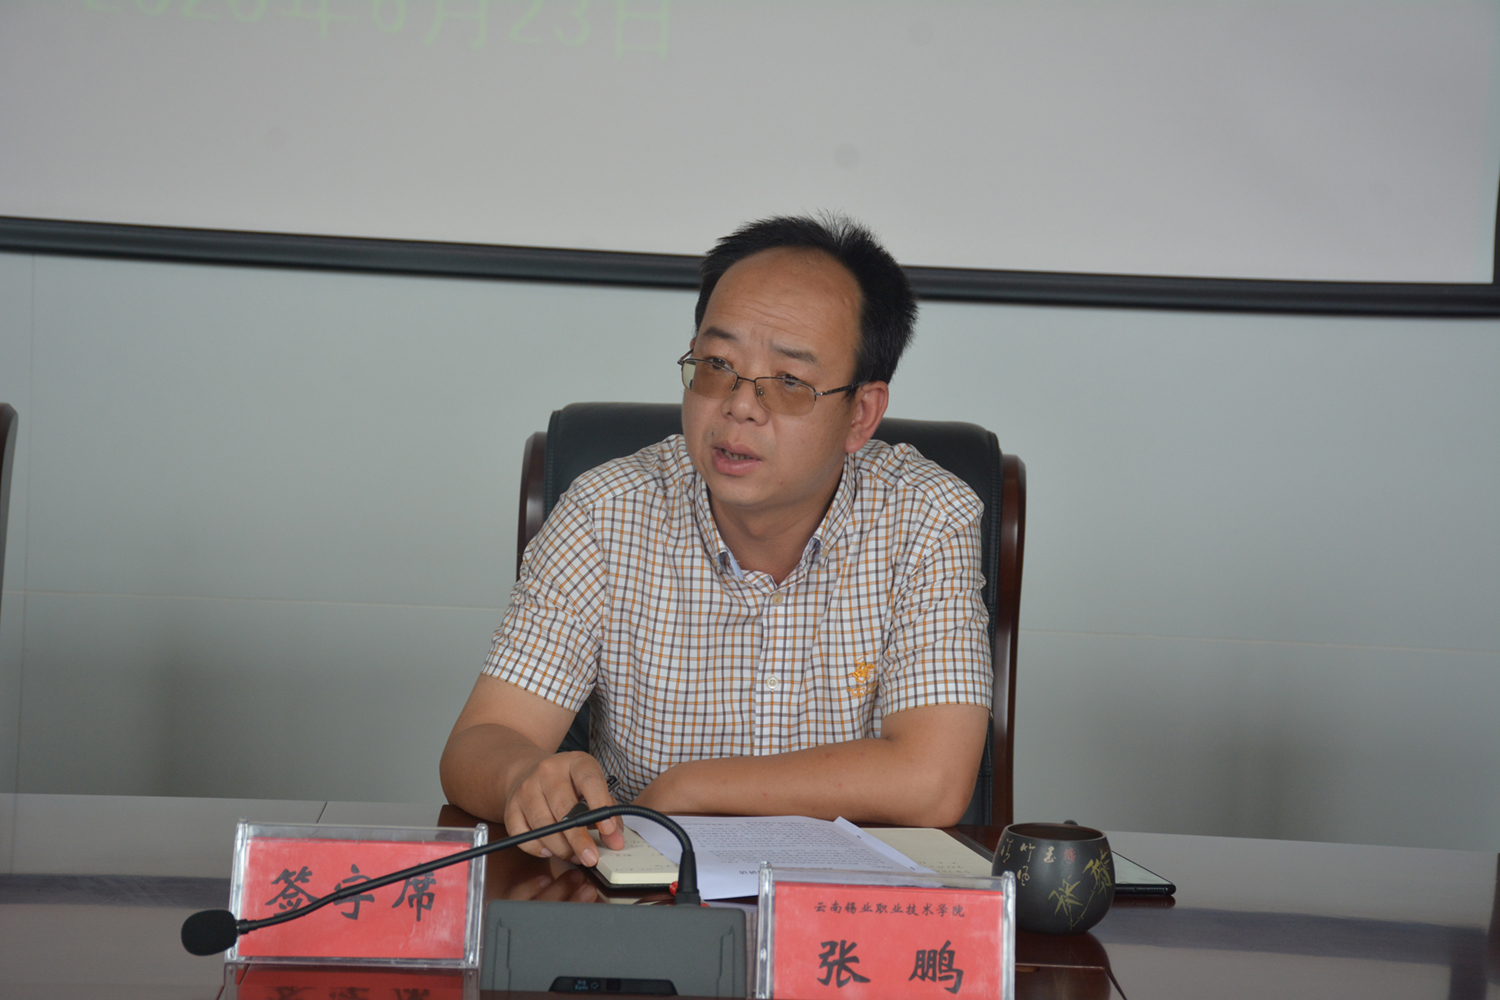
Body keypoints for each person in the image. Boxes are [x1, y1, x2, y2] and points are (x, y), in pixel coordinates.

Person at [440, 215, 991, 869]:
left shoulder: (926, 518)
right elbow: (480, 741)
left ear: (861, 414)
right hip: (645, 903)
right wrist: (522, 778)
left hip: (844, 909)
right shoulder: (607, 512)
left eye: (789, 382)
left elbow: (933, 779)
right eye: (717, 365)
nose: (739, 405)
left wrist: (691, 790)